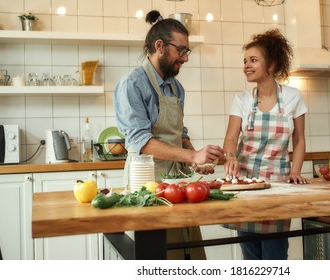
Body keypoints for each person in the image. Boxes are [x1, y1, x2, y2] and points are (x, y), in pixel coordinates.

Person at [113, 10, 224, 260]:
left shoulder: (176, 87)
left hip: (178, 183)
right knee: (159, 257)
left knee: (190, 254)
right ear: (160, 46)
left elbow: (179, 135)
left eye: (187, 51)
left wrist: (196, 159)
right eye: (181, 50)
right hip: (147, 186)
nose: (185, 58)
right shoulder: (132, 84)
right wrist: (192, 155)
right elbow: (140, 141)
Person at [222, 29, 308, 260]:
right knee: (250, 255)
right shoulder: (241, 99)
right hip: (246, 185)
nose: (246, 66)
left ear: (270, 65)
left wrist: (296, 171)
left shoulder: (292, 97)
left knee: (275, 255)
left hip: (278, 185)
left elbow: (299, 140)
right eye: (245, 61)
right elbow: (231, 138)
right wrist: (230, 156)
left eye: (253, 60)